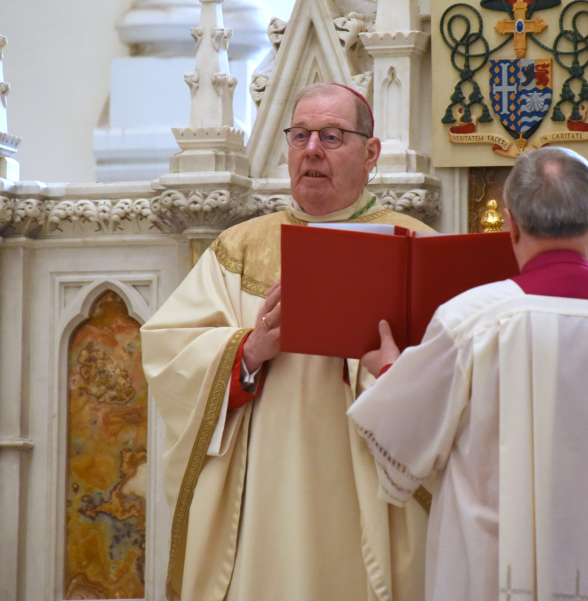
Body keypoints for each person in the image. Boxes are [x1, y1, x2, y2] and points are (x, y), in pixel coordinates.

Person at [348, 147, 588, 601]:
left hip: (493, 580)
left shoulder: (471, 321)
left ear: (510, 223)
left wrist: (389, 369)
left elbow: (404, 441)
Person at [140, 83, 433, 601]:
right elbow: (169, 356)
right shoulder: (241, 247)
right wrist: (247, 353)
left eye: (332, 136)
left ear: (371, 153)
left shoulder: (416, 248)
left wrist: (387, 372)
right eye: (300, 136)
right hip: (264, 503)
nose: (312, 150)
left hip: (367, 489)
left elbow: (460, 387)